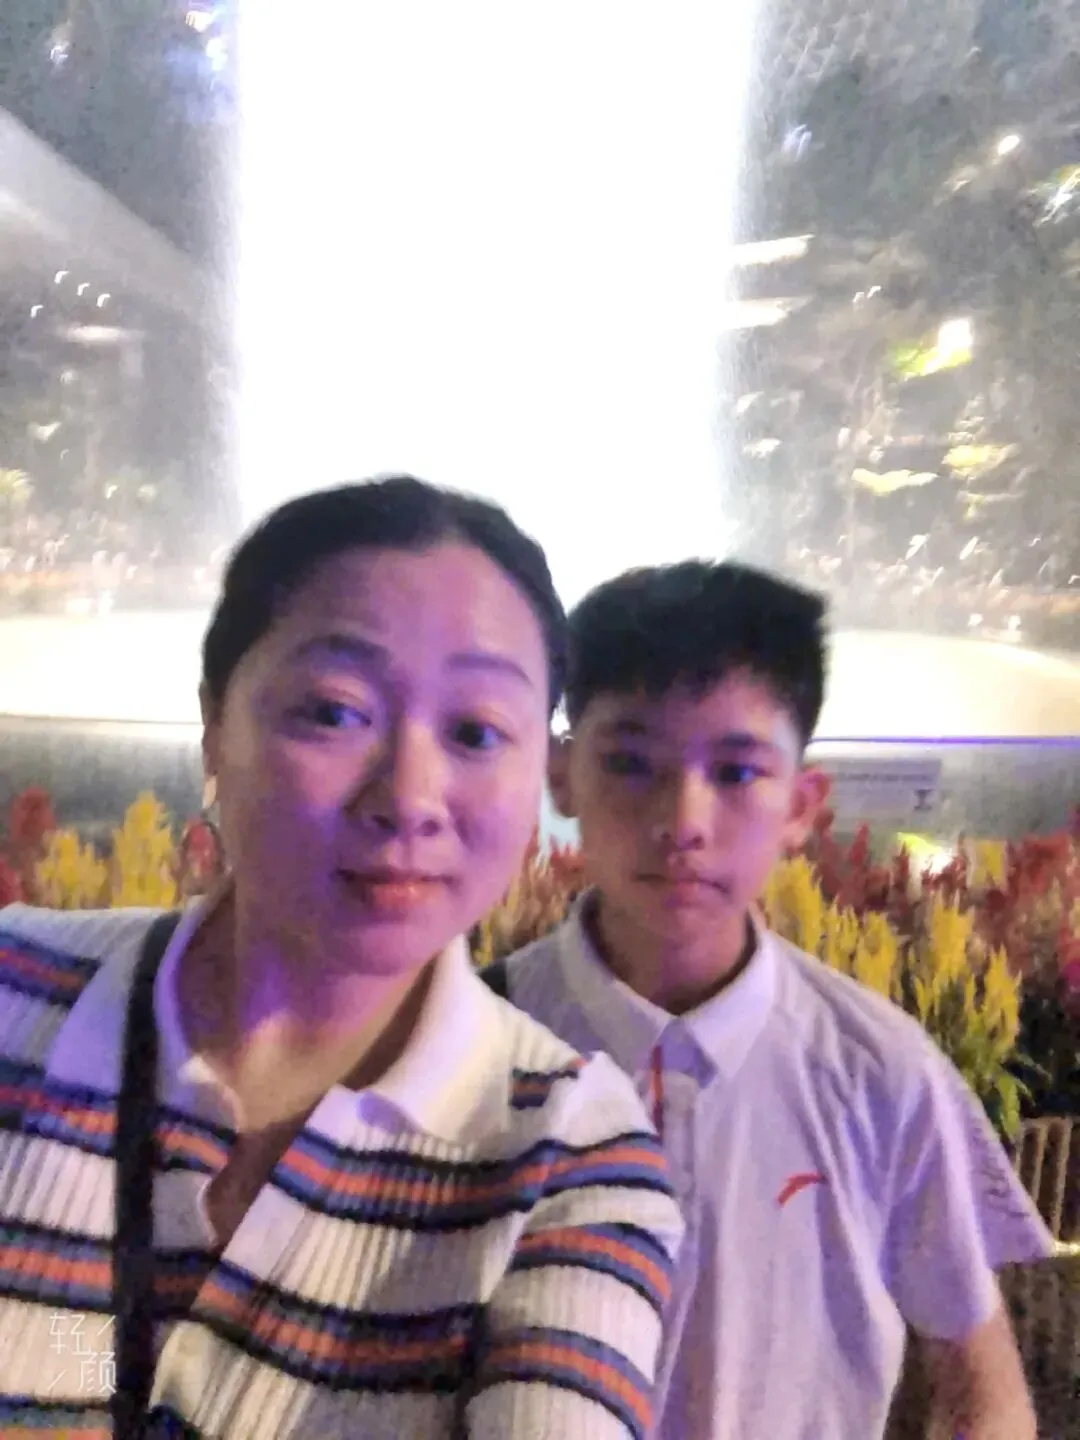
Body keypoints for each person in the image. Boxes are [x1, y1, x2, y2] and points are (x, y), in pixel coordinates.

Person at [0, 476, 682, 1439]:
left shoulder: (566, 1164)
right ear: (214, 724)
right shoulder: (17, 995)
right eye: (333, 711)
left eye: (476, 732)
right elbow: (91, 1360)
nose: (409, 797)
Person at [499, 560, 1052, 1440]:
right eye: (631, 763)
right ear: (560, 774)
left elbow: (984, 1390)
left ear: (802, 804)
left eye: (736, 771)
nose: (684, 820)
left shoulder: (880, 1071)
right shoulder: (472, 1043)